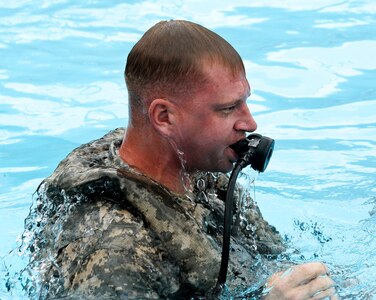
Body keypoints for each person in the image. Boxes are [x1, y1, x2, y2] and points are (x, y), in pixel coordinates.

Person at [24, 20, 338, 299]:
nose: (250, 123)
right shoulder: (110, 245)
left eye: (244, 102)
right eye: (227, 109)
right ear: (164, 117)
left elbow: (278, 261)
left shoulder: (199, 172)